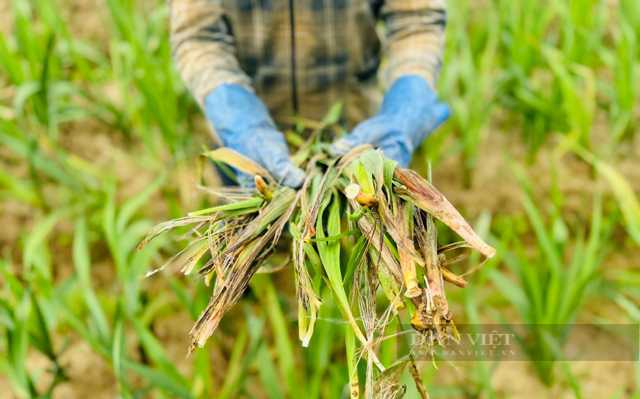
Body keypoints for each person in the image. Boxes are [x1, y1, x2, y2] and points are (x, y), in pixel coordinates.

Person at [170, 0, 450, 188]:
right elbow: (198, 35)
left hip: (356, 133)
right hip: (245, 142)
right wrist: (233, 109)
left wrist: (408, 96)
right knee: (251, 251)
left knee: (354, 248)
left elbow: (417, 19)